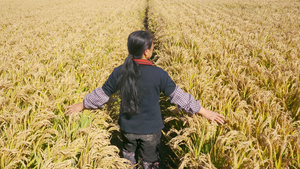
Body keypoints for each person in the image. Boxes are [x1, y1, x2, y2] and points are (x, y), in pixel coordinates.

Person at [65, 30, 225, 169]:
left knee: (128, 154)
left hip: (127, 129)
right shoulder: (159, 74)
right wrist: (205, 112)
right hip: (151, 130)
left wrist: (82, 105)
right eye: (152, 46)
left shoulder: (120, 72)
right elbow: (179, 97)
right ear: (147, 52)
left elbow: (102, 94)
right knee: (149, 160)